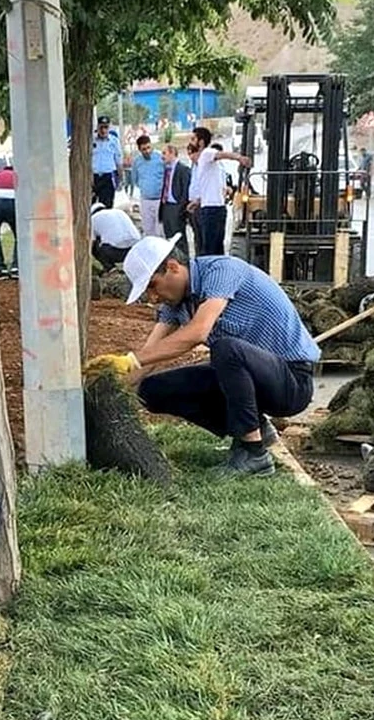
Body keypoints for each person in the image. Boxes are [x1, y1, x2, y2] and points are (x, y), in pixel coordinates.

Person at [83, 236, 319, 476]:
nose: (152, 298)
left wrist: (132, 359)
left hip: (291, 381)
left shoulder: (221, 271)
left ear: (173, 267)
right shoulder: (175, 304)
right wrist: (109, 386)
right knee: (151, 390)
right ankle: (256, 427)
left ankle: (253, 452)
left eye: (152, 286)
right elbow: (149, 355)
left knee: (226, 350)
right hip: (254, 377)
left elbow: (198, 331)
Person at [187, 127, 249, 256]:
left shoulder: (206, 153)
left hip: (212, 210)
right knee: (215, 248)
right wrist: (197, 201)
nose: (191, 142)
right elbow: (209, 187)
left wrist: (239, 158)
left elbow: (223, 154)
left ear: (201, 142)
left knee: (209, 249)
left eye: (193, 139)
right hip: (212, 208)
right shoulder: (204, 163)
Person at [129, 135, 165, 238]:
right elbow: (134, 179)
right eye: (144, 149)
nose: (147, 151)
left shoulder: (160, 157)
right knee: (148, 230)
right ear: (139, 150)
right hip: (145, 200)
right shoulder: (137, 162)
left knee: (160, 230)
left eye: (148, 147)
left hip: (159, 200)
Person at [158, 144, 191, 253]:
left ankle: (184, 260)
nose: (162, 156)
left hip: (177, 206)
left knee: (178, 237)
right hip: (166, 205)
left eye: (164, 153)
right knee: (169, 236)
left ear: (172, 153)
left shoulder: (183, 169)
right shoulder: (166, 169)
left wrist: (182, 208)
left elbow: (185, 190)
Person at [90, 203, 141, 273]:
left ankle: (110, 268)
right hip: (136, 249)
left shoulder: (93, 219)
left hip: (116, 252)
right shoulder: (119, 212)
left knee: (95, 247)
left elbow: (91, 243)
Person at [91, 115, 122, 209]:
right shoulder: (91, 140)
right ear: (97, 127)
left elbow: (118, 161)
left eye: (106, 127)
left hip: (108, 177)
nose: (103, 130)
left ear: (109, 127)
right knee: (92, 208)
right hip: (93, 178)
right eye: (101, 127)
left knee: (107, 207)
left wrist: (120, 178)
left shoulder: (114, 141)